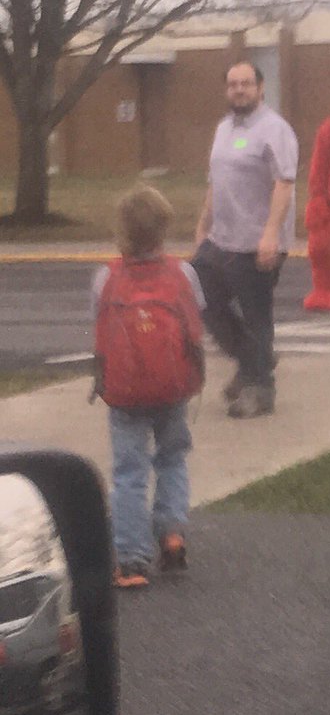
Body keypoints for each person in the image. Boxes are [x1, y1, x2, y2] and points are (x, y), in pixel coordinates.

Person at [92, 186, 206, 589]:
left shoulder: (107, 277)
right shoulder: (183, 274)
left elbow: (97, 325)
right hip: (173, 387)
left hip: (124, 393)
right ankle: (172, 535)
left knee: (128, 472)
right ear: (163, 229)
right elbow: (197, 318)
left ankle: (131, 560)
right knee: (173, 458)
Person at [192, 60, 298, 418]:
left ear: (261, 87)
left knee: (256, 316)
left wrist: (271, 234)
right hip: (220, 240)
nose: (239, 89)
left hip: (257, 243)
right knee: (201, 299)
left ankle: (259, 389)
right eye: (233, 84)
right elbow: (215, 181)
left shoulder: (275, 130)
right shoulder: (224, 128)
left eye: (247, 83)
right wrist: (203, 225)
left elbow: (284, 183)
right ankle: (255, 360)